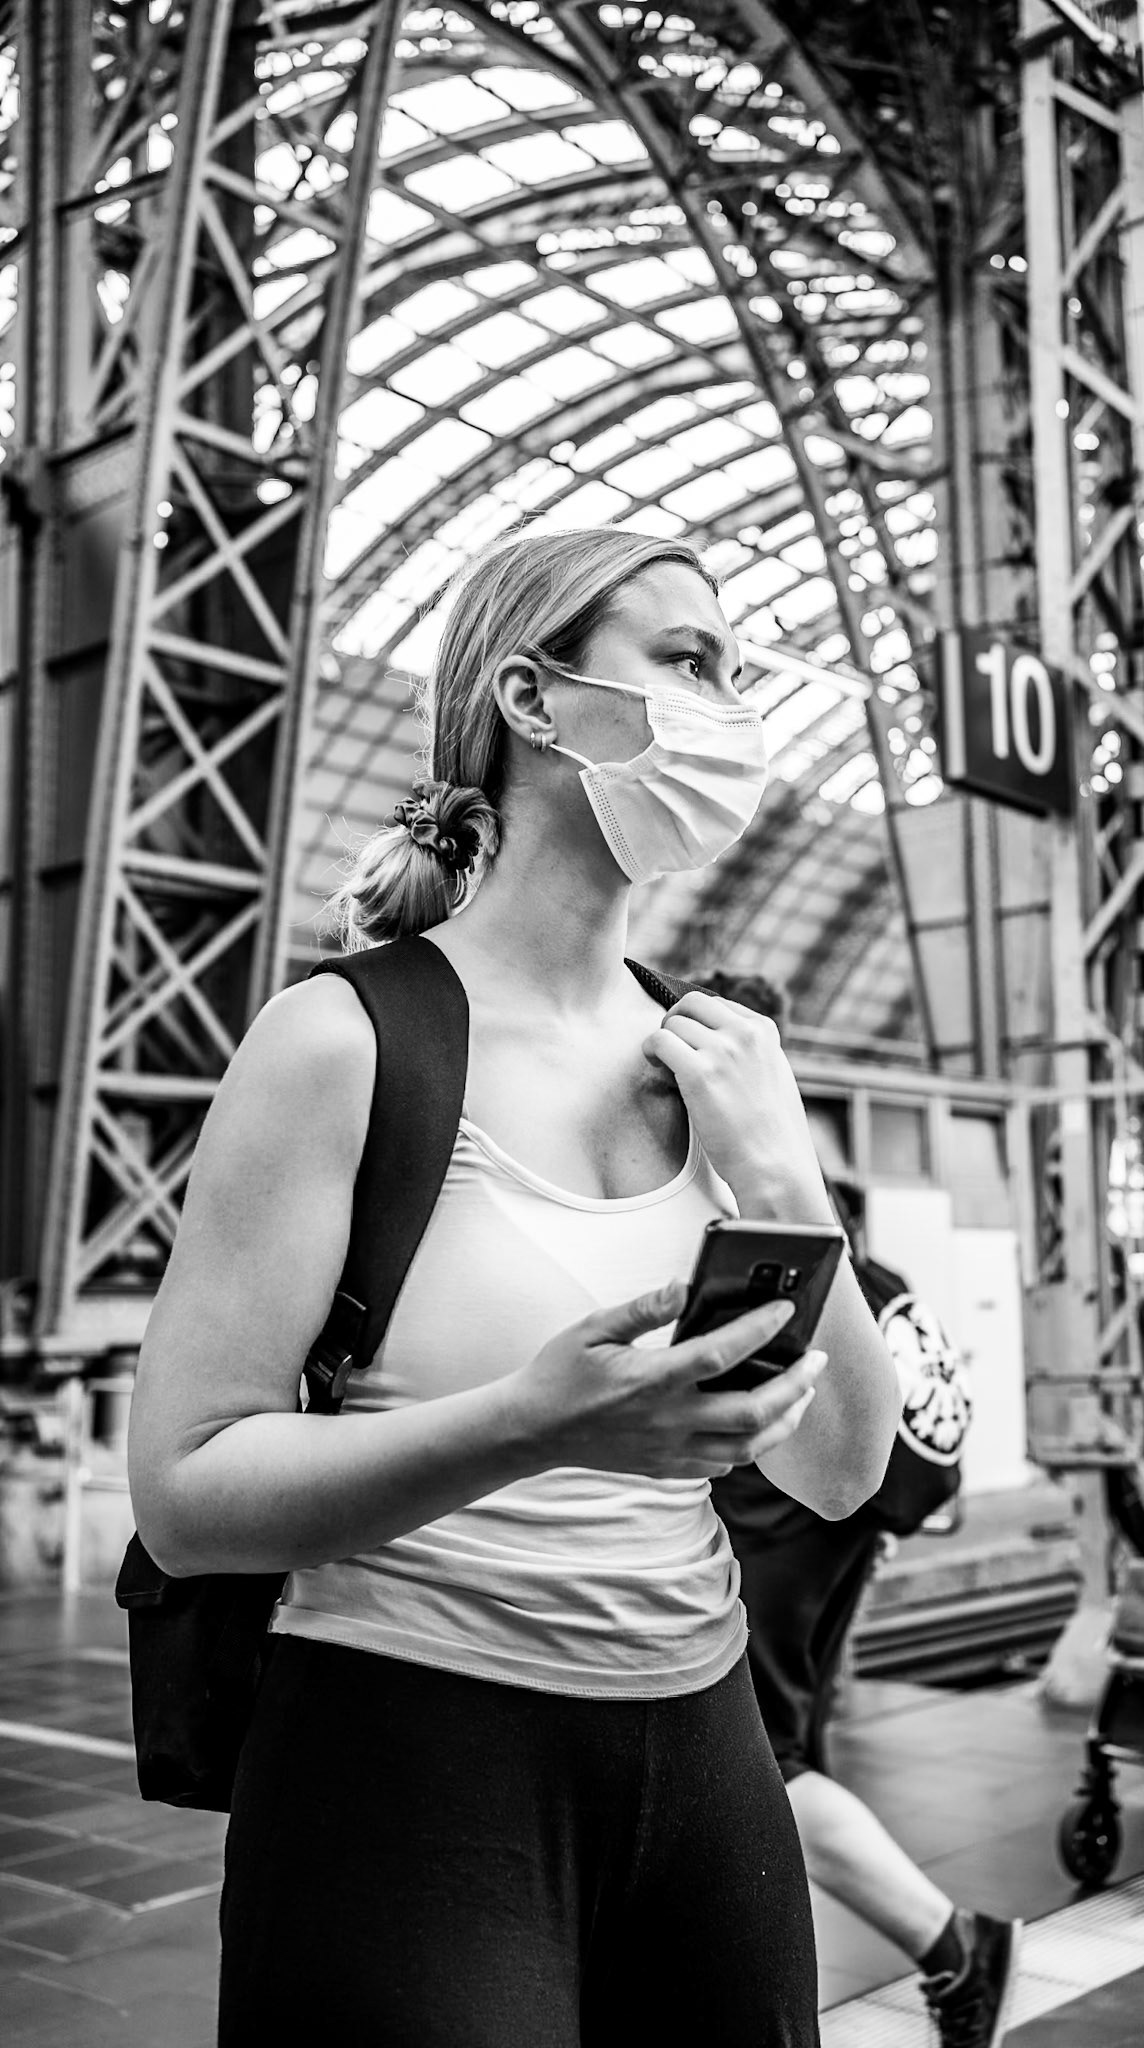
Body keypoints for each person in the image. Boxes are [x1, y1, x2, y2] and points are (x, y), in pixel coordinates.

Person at [127, 527, 901, 2048]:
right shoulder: (342, 1041)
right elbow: (185, 1490)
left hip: (704, 1748)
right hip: (408, 1753)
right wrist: (535, 1423)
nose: (732, 711)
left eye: (737, 673)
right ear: (534, 701)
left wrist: (782, 1169)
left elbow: (843, 1465)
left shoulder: (716, 1062)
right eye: (686, 661)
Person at [704, 972, 1018, 2048]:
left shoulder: (731, 1180)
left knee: (761, 1757)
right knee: (775, 1751)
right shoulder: (817, 1189)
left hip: (779, 1512)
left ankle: (955, 1947)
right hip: (836, 1517)